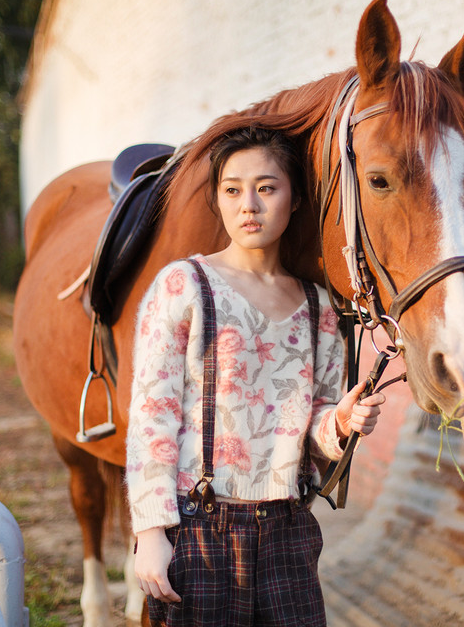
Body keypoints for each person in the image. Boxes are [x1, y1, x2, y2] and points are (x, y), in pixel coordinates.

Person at [126, 125, 385, 626]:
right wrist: (151, 533)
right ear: (219, 201)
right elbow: (151, 418)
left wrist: (342, 422)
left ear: (293, 200)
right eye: (232, 189)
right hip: (199, 529)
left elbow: (315, 427)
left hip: (289, 530)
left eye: (266, 188)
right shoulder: (183, 285)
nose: (249, 204)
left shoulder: (321, 307)